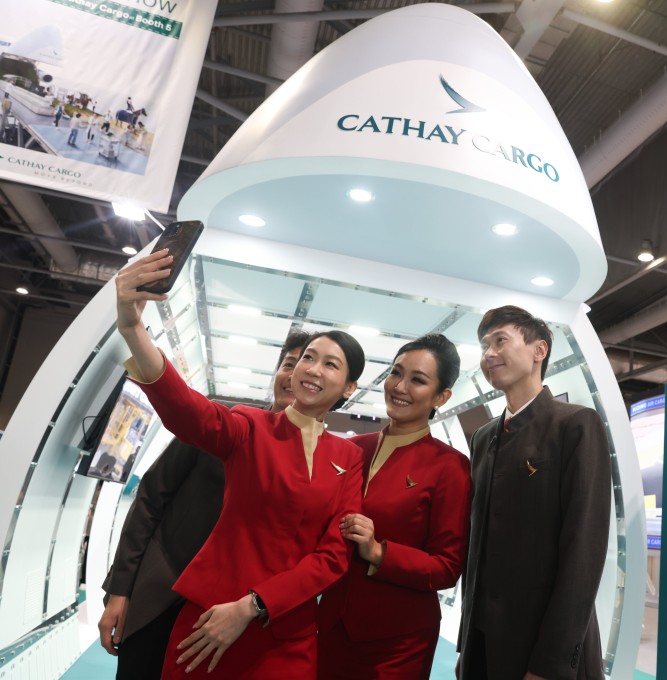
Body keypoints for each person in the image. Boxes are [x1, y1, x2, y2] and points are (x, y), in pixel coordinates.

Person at [114, 249, 365, 678]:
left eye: (330, 364)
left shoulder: (348, 457)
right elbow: (185, 410)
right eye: (308, 357)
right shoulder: (250, 427)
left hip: (285, 634)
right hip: (205, 625)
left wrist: (255, 605)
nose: (312, 369)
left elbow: (333, 556)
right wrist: (133, 327)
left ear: (349, 388)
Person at [97, 330, 309, 680]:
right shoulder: (218, 425)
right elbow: (150, 499)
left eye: (310, 366)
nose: (296, 374)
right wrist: (120, 591)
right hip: (162, 597)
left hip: (233, 618)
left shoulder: (316, 466)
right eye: (290, 363)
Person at [457, 306, 611, 680]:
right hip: (481, 641)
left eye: (500, 341)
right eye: (483, 345)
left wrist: (552, 662)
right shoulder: (483, 437)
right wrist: (466, 642)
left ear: (538, 350)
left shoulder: (575, 425)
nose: (488, 354)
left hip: (540, 646)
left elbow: (583, 552)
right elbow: (476, 546)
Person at [318, 334, 471, 679]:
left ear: (441, 396)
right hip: (330, 623)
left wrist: (378, 552)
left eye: (417, 380)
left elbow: (446, 567)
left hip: (397, 641)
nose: (399, 387)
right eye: (395, 373)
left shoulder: (450, 466)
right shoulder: (352, 449)